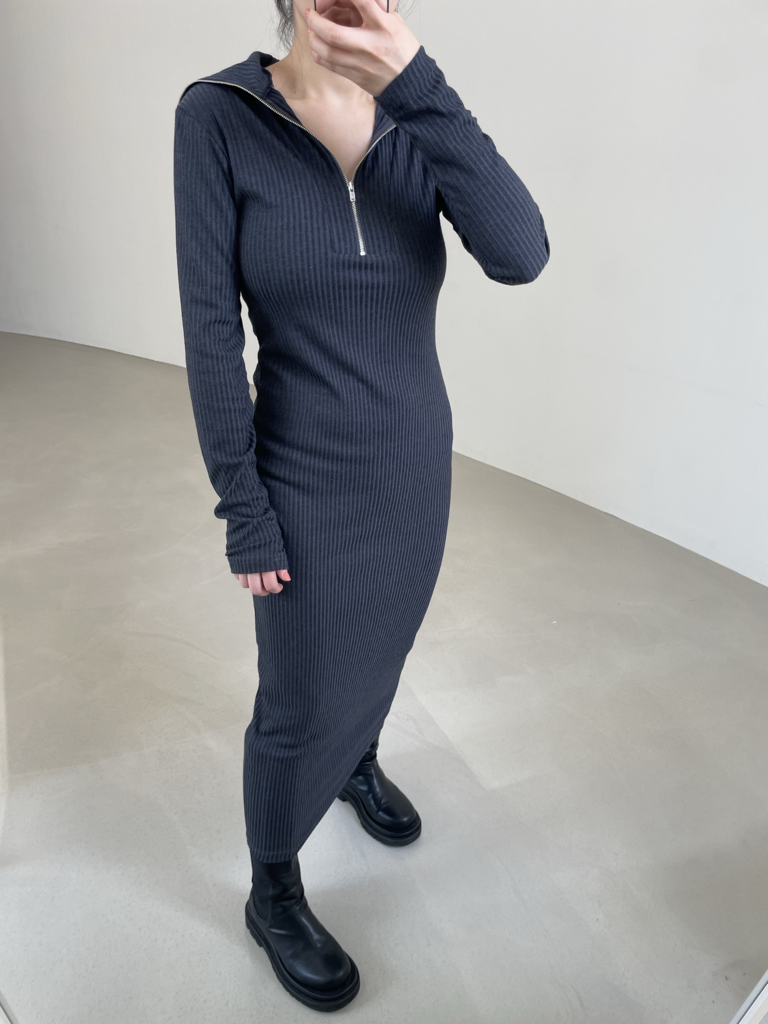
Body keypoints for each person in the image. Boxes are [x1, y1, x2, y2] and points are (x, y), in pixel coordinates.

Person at [173, 0, 550, 1010]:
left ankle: (359, 761)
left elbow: (521, 253)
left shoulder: (417, 117)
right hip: (301, 469)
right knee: (296, 700)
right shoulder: (219, 115)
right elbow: (210, 333)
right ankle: (273, 890)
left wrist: (417, 85)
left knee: (385, 642)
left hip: (416, 459)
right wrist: (244, 507)